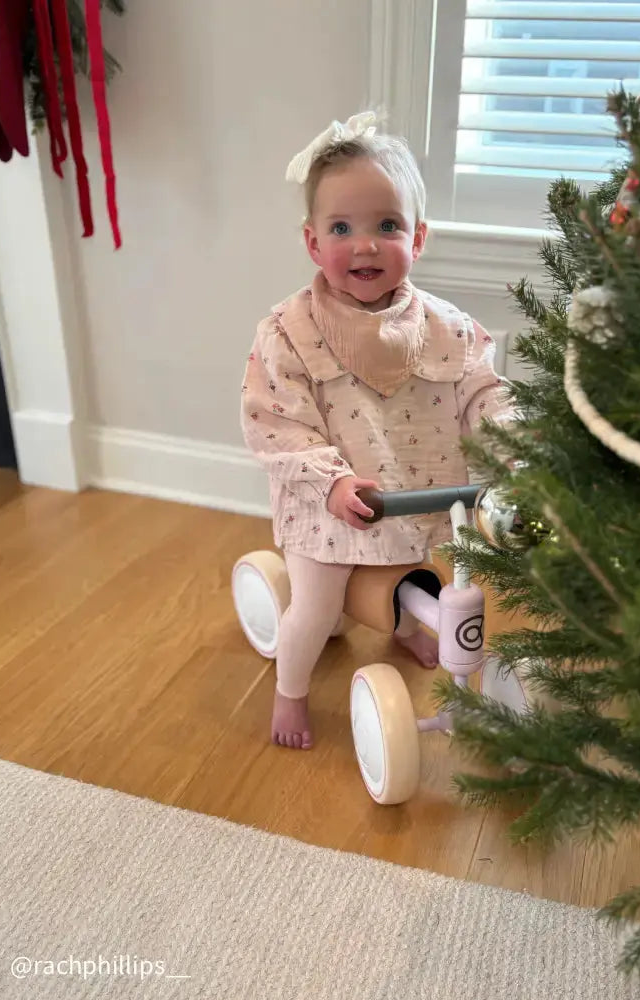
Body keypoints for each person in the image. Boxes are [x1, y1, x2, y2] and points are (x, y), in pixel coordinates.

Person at [241, 111, 513, 750]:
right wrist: (330, 483)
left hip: (416, 495)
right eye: (342, 228)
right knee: (314, 609)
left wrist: (514, 443)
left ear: (417, 238)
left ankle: (410, 626)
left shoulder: (447, 327)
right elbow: (278, 424)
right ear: (312, 243)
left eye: (386, 226)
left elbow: (483, 391)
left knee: (418, 570)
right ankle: (291, 692)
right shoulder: (288, 332)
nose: (364, 245)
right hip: (330, 508)